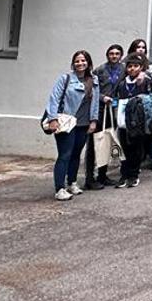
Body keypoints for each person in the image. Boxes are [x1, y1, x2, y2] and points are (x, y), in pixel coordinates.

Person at [45, 50, 100, 200]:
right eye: (77, 61)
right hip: (65, 123)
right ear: (73, 63)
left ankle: (72, 183)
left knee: (76, 154)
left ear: (88, 63)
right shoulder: (66, 79)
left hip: (83, 123)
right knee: (65, 154)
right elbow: (54, 98)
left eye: (83, 61)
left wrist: (94, 120)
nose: (80, 63)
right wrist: (52, 118)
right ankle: (60, 188)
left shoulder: (94, 80)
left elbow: (95, 102)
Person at [85, 42, 124, 189]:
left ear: (120, 56)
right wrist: (102, 98)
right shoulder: (99, 70)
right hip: (99, 110)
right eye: (111, 54)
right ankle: (89, 177)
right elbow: (92, 90)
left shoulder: (123, 69)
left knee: (107, 142)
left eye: (117, 54)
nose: (114, 56)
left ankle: (102, 175)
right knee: (94, 144)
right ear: (107, 55)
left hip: (113, 110)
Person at [116, 54, 152, 187]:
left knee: (136, 148)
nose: (132, 69)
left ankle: (133, 174)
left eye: (135, 66)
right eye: (130, 66)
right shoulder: (122, 84)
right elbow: (117, 98)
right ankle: (124, 174)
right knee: (124, 147)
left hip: (138, 120)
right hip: (123, 120)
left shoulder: (146, 81)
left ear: (141, 67)